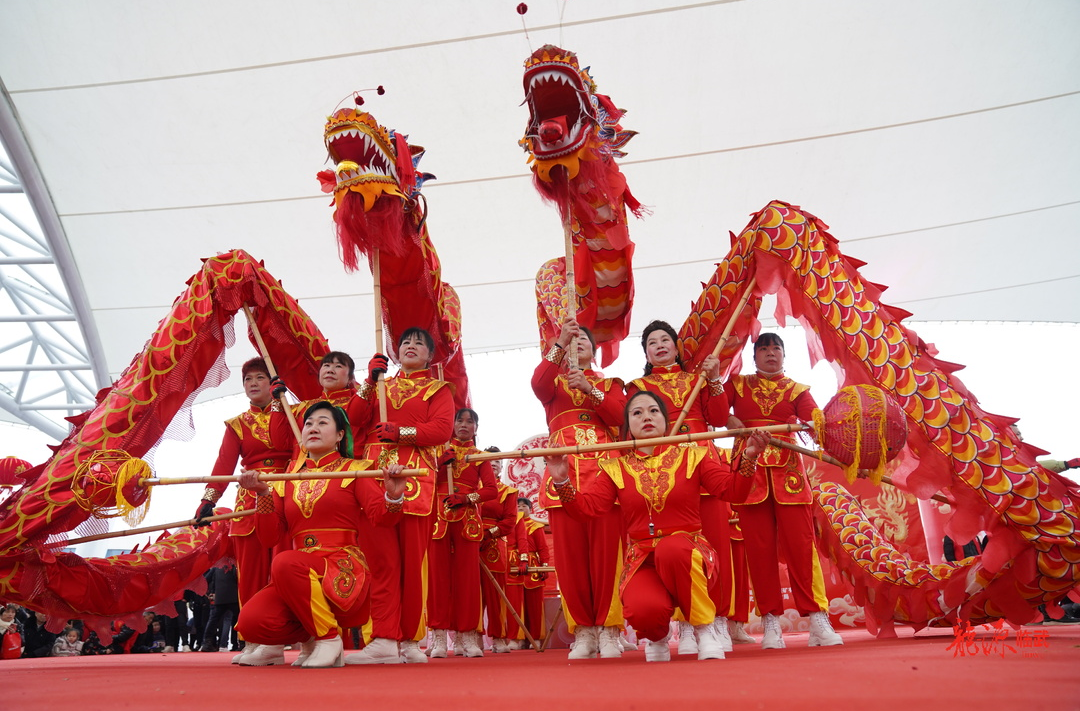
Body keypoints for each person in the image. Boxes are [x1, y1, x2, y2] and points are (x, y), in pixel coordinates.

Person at [547, 391, 767, 661]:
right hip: (642, 559)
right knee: (642, 609)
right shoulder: (616, 467)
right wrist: (561, 481)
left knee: (672, 548)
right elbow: (586, 509)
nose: (646, 417)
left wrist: (750, 457)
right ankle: (657, 636)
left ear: (665, 420)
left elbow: (733, 492)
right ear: (628, 428)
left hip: (688, 553)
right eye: (637, 413)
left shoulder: (693, 456)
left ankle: (704, 629)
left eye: (653, 411)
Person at [233, 401, 407, 668]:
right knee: (251, 623)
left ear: (340, 435)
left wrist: (393, 496)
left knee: (285, 562)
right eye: (309, 424)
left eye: (323, 422)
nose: (313, 427)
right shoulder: (286, 478)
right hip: (298, 573)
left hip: (342, 567)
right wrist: (263, 494)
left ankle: (328, 638)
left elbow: (382, 518)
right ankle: (315, 636)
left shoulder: (354, 470)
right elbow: (269, 538)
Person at [725, 333, 843, 649]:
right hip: (749, 475)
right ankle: (770, 623)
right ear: (754, 356)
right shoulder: (737, 385)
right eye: (763, 349)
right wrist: (730, 418)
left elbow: (815, 420)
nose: (770, 353)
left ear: (783, 355)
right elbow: (713, 410)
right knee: (759, 551)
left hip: (789, 476)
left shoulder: (797, 390)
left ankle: (818, 618)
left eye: (776, 348)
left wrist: (821, 427)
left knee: (802, 549)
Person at [626, 320, 736, 653]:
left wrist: (714, 379)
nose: (659, 345)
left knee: (714, 546)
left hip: (704, 462)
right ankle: (685, 626)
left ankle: (714, 621)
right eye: (651, 342)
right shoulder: (637, 387)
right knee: (670, 547)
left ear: (676, 346)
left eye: (665, 340)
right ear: (645, 353)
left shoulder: (697, 379)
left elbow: (717, 418)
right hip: (665, 471)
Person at [349, 328, 455, 664]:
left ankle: (410, 639)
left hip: (416, 480)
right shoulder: (379, 385)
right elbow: (351, 420)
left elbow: (441, 430)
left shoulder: (438, 390)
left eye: (419, 343)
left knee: (412, 566)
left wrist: (401, 432)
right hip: (374, 480)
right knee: (380, 563)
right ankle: (382, 637)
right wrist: (368, 380)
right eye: (405, 342)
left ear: (430, 355)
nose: (411, 346)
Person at [531, 318, 626, 659]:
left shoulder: (612, 383)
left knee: (607, 558)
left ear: (594, 350)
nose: (579, 341)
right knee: (570, 561)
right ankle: (583, 630)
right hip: (563, 474)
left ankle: (610, 628)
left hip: (604, 474)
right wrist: (559, 343)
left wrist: (590, 389)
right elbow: (537, 384)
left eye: (584, 338)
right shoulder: (554, 383)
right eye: (574, 338)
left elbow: (618, 417)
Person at [192, 358, 293, 662]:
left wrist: (279, 405)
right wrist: (208, 500)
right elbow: (223, 464)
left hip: (286, 495)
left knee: (282, 570)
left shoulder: (292, 415)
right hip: (248, 499)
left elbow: (283, 441)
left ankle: (284, 635)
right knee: (249, 574)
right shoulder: (236, 424)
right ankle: (252, 637)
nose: (252, 383)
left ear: (273, 382)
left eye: (260, 377)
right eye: (248, 378)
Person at [426, 408, 498, 658]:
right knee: (437, 579)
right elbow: (423, 482)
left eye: (470, 422)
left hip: (467, 518)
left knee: (467, 580)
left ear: (476, 428)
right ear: (452, 424)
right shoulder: (437, 452)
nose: (465, 425)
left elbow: (491, 491)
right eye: (460, 420)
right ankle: (437, 638)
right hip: (438, 517)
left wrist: (468, 497)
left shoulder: (480, 457)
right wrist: (437, 466)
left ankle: (466, 637)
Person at [516, 497, 549, 646]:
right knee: (516, 606)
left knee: (534, 606)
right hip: (514, 567)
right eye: (518, 506)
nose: (520, 508)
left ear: (531, 509)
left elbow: (543, 548)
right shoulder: (511, 525)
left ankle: (535, 638)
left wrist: (544, 565)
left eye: (524, 506)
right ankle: (519, 638)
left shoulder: (536, 526)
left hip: (532, 568)